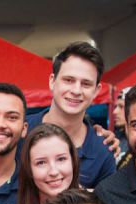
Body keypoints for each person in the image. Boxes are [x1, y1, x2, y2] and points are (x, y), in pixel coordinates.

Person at [26, 42, 116, 188]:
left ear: (96, 91)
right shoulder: (20, 132)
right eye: (68, 80)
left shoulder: (103, 151)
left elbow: (104, 202)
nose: (76, 90)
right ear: (52, 81)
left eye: (86, 84)